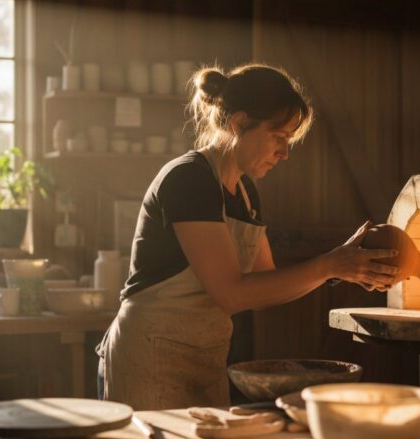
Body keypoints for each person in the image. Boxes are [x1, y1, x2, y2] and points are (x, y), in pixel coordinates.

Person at [96, 63, 398, 410]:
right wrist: (328, 265)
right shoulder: (189, 180)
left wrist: (339, 266)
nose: (284, 153)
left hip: (204, 358)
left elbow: (265, 286)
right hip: (150, 353)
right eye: (279, 137)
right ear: (239, 123)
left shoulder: (246, 194)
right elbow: (232, 293)